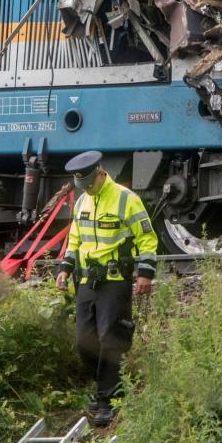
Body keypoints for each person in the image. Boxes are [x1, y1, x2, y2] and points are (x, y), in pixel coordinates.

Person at [55, 151, 157, 427]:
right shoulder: (82, 201)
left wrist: (145, 273)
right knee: (84, 341)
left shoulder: (126, 199)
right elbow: (75, 238)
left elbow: (147, 237)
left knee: (110, 338)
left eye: (89, 183)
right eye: (82, 186)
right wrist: (65, 267)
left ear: (100, 173)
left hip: (114, 279)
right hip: (87, 280)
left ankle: (107, 400)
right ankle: (108, 389)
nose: (86, 189)